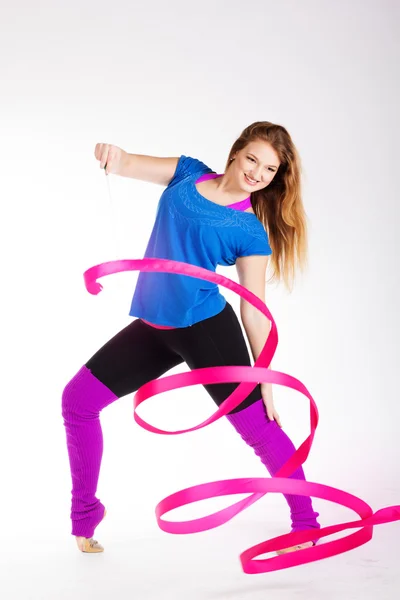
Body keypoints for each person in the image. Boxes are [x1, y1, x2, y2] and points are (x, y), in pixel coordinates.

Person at [62, 121, 321, 555]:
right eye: (253, 159)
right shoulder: (188, 173)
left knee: (258, 426)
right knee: (77, 402)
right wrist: (111, 153)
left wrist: (264, 377)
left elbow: (254, 310)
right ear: (236, 153)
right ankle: (86, 516)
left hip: (206, 330)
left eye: (270, 170)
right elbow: (125, 163)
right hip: (154, 325)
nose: (257, 173)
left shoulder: (249, 231)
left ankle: (306, 523)